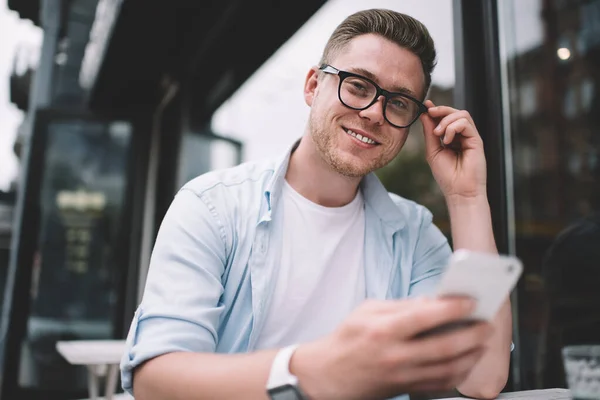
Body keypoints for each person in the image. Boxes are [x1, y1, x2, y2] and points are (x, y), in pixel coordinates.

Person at [120, 8, 513, 400]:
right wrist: (308, 372)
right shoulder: (212, 207)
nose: (374, 113)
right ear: (312, 86)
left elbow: (481, 376)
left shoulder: (413, 233)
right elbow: (155, 381)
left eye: (398, 103)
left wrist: (467, 198)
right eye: (358, 85)